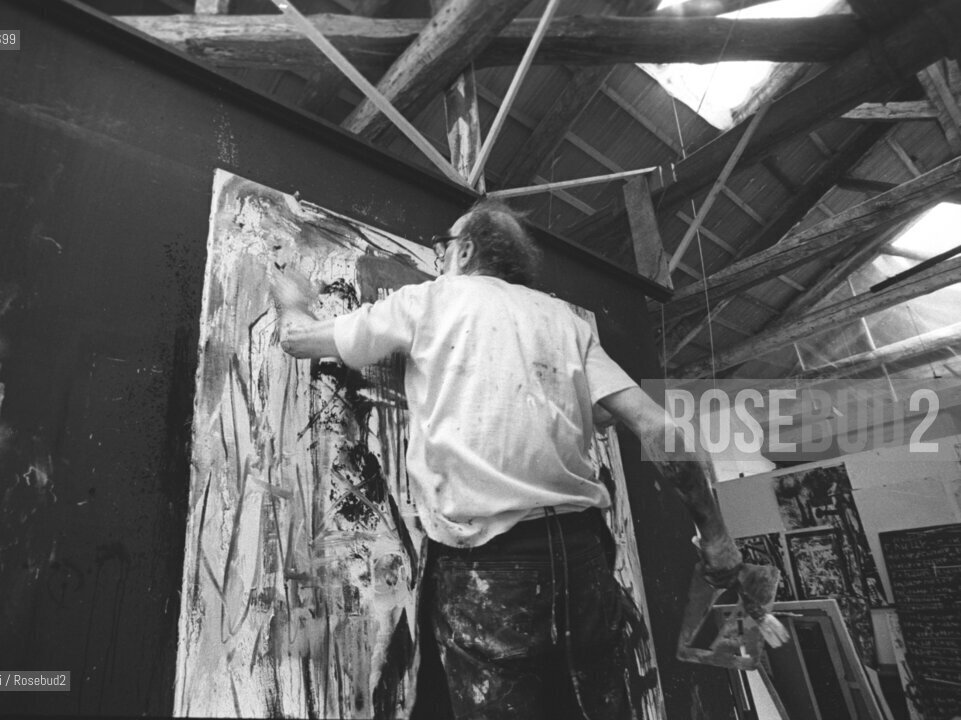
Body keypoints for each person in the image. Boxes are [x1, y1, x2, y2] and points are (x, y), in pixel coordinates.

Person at [273, 199, 744, 720]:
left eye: (443, 247)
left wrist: (293, 302)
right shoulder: (565, 322)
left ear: (465, 251)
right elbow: (659, 427)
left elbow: (300, 341)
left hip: (491, 569)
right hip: (584, 558)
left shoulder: (430, 300)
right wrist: (718, 537)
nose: (438, 257)